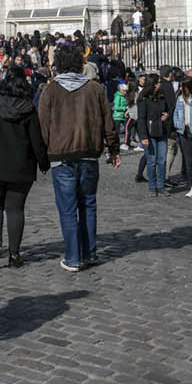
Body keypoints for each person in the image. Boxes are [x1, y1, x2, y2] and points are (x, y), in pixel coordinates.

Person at [37, 43, 120, 273]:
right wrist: (113, 150)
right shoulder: (95, 88)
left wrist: (42, 157)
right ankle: (90, 252)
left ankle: (73, 257)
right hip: (89, 153)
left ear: (58, 65)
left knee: (67, 208)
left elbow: (42, 126)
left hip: (61, 156)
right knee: (88, 204)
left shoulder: (50, 90)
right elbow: (108, 122)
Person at [0, 66, 50, 266]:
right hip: (20, 168)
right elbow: (36, 141)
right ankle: (14, 254)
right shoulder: (29, 109)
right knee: (15, 210)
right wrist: (43, 163)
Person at [136, 75, 170, 196]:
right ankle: (152, 186)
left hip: (162, 131)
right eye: (159, 82)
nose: (161, 84)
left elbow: (167, 110)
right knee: (151, 161)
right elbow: (141, 119)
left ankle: (160, 186)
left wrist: (167, 115)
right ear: (154, 84)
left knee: (162, 160)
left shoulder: (162, 97)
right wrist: (144, 137)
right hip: (150, 133)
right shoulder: (144, 99)